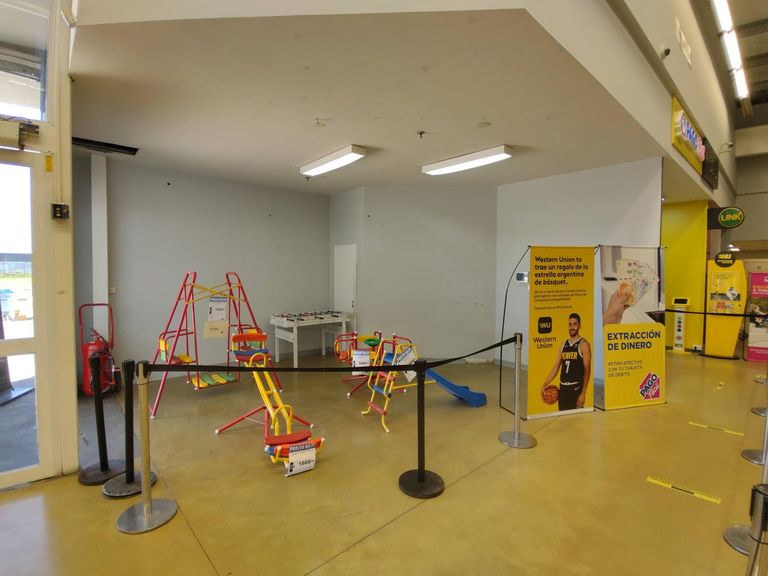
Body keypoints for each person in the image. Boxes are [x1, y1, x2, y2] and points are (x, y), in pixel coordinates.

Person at [541, 313, 592, 410]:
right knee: (563, 417)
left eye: (575, 324)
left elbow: (587, 370)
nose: (572, 327)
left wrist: (583, 393)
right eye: (570, 324)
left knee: (576, 418)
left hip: (576, 389)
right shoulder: (563, 345)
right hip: (563, 390)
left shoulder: (584, 344)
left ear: (579, 326)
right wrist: (545, 384)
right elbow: (556, 367)